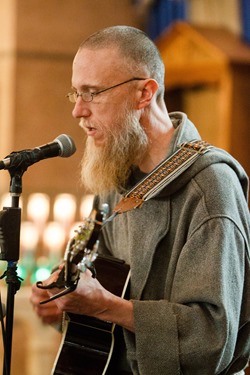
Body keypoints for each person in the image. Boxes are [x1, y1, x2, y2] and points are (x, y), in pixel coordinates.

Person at [30, 26, 250, 375]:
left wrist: (107, 307)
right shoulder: (114, 176)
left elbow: (212, 339)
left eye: (93, 93)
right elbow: (104, 299)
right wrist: (66, 301)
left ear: (144, 93)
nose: (78, 111)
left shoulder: (210, 187)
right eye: (76, 94)